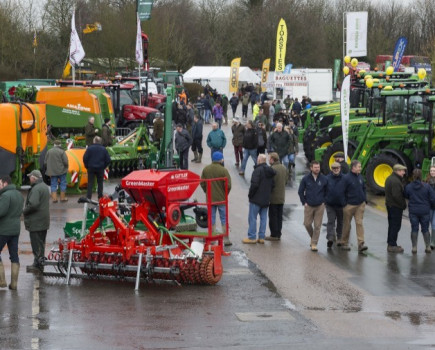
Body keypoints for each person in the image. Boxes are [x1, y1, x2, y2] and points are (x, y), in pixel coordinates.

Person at [243, 154, 276, 244]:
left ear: (259, 160)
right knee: (263, 218)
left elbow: (254, 184)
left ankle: (252, 237)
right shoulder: (270, 171)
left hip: (256, 198)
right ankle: (261, 237)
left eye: (258, 159)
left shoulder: (257, 170)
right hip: (266, 199)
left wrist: (250, 195)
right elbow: (273, 185)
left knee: (252, 218)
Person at [201, 151, 232, 246]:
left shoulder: (206, 169)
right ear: (221, 160)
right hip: (222, 198)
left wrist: (207, 191)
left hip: (210, 198)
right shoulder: (223, 170)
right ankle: (226, 239)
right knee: (224, 218)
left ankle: (212, 237)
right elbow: (228, 185)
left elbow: (202, 183)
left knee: (211, 218)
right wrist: (225, 193)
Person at [0, 175, 24, 289]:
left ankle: (2, 280)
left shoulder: (5, 195)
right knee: (14, 255)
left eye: (0, 184)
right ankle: (14, 284)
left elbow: (1, 212)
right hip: (15, 229)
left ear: (5, 184)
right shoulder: (19, 194)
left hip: (4, 230)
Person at [298, 160, 328, 251]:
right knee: (307, 224)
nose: (317, 169)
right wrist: (304, 202)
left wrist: (324, 201)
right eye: (315, 167)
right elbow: (300, 191)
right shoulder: (305, 179)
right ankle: (313, 237)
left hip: (320, 206)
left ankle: (314, 243)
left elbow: (327, 191)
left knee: (317, 226)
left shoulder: (324, 179)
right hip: (309, 205)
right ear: (311, 168)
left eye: (318, 167)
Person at [24, 170, 50, 273]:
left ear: (34, 178)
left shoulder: (36, 189)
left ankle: (38, 265)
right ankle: (40, 263)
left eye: (30, 177)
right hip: (43, 221)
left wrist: (24, 211)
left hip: (36, 221)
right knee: (41, 243)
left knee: (36, 244)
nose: (29, 179)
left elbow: (33, 204)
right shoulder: (44, 186)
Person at [405, 169, 435, 254]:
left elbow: (406, 195)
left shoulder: (409, 186)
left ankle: (414, 247)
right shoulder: (426, 186)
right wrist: (431, 206)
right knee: (425, 229)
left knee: (414, 228)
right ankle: (428, 246)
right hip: (425, 211)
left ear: (413, 176)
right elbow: (433, 198)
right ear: (421, 176)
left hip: (413, 211)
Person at [340, 160, 368, 252]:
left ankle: (361, 243)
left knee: (359, 223)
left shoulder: (360, 176)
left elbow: (364, 187)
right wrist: (344, 203)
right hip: (349, 205)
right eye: (359, 167)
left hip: (360, 204)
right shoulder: (346, 178)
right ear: (353, 167)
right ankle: (344, 242)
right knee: (347, 225)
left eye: (360, 166)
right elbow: (341, 192)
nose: (360, 168)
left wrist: (364, 199)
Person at [384, 164, 407, 253]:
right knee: (395, 226)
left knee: (392, 225)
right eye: (402, 171)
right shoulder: (395, 181)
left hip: (390, 205)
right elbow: (397, 196)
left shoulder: (390, 178)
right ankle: (392, 245)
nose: (404, 173)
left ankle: (391, 243)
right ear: (397, 171)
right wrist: (403, 205)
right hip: (395, 207)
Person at [266, 153, 287, 241]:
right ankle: (278, 233)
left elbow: (269, 183)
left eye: (269, 159)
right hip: (281, 196)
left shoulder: (271, 169)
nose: (268, 160)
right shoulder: (284, 168)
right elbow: (286, 180)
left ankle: (274, 234)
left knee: (273, 216)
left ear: (272, 159)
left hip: (273, 197)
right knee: (279, 216)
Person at [325, 162, 344, 248]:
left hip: (341, 204)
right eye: (334, 168)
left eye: (337, 168)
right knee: (331, 221)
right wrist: (325, 199)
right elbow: (323, 189)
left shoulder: (344, 178)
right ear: (331, 169)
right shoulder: (327, 178)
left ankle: (339, 238)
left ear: (340, 168)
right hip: (330, 204)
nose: (336, 170)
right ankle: (330, 238)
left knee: (340, 222)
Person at [425, 165, 435, 249]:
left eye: (434, 171)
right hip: (429, 206)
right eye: (431, 171)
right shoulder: (427, 182)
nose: (432, 172)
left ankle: (433, 242)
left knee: (434, 224)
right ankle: (427, 242)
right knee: (428, 224)